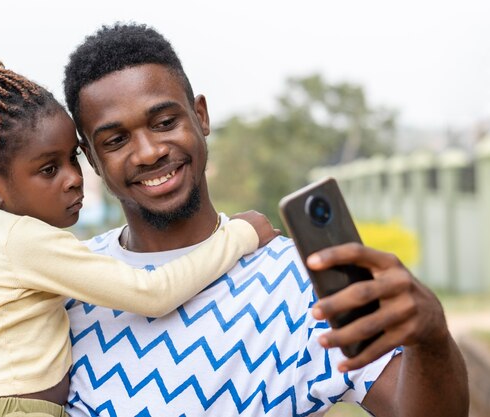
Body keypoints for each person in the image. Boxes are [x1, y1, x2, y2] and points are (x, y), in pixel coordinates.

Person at [62, 23, 468, 416]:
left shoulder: (305, 281)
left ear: (200, 116)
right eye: (115, 140)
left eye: (165, 122)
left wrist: (431, 339)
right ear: (92, 158)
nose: (149, 152)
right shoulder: (65, 285)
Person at [0, 46, 279, 417]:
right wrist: (241, 234)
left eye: (74, 158)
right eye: (49, 169)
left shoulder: (1, 240)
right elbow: (152, 293)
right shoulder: (22, 241)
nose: (73, 179)